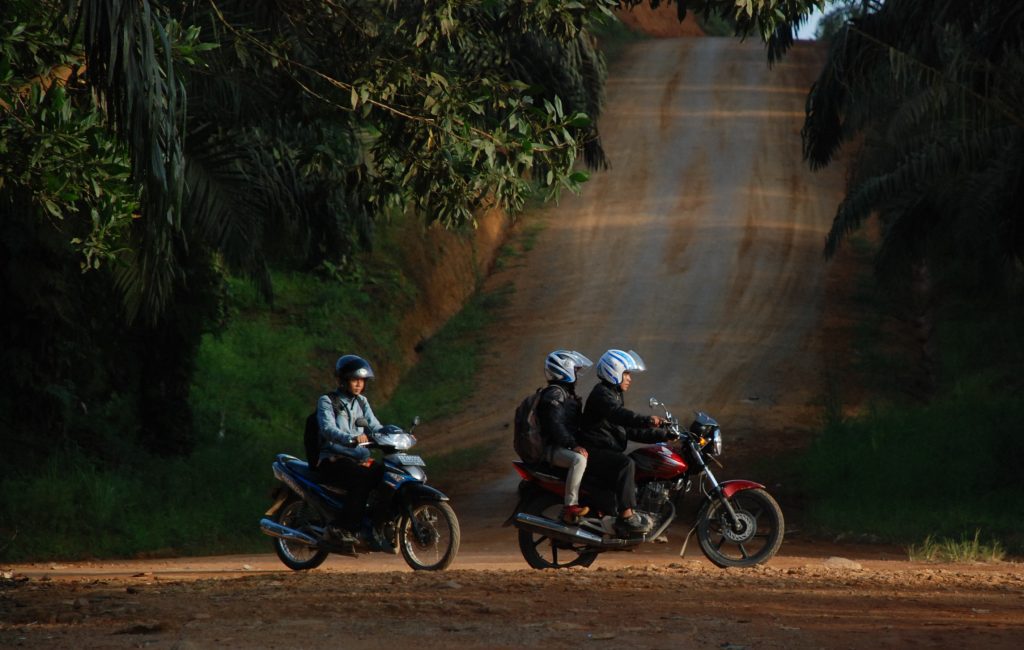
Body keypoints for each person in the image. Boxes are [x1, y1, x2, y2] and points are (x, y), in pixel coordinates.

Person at [578, 349, 672, 536]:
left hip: (602, 448)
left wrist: (663, 435)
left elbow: (627, 430)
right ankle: (627, 516)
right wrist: (647, 420)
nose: (629, 378)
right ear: (614, 371)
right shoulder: (602, 394)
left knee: (635, 461)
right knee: (625, 464)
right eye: (626, 373)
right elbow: (621, 416)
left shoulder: (612, 394)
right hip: (593, 450)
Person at [317, 354, 386, 543]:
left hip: (358, 460)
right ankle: (343, 527)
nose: (359, 384)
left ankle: (376, 525)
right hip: (334, 460)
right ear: (343, 380)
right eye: (354, 380)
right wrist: (351, 439)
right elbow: (328, 429)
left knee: (387, 474)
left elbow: (376, 426)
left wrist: (395, 434)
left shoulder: (362, 402)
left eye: (362, 380)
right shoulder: (327, 401)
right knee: (361, 479)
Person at [537, 349, 593, 524]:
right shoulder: (555, 394)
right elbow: (555, 424)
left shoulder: (563, 393)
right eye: (575, 370)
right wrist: (572, 445)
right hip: (550, 449)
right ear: (564, 370)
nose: (577, 374)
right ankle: (570, 506)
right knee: (579, 460)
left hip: (558, 446)